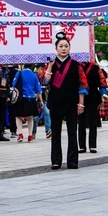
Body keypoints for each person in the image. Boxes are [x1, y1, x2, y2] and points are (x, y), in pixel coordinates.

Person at [44, 32, 88, 170]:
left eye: (66, 46)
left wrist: (81, 103)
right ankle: (56, 160)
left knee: (72, 132)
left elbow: (82, 84)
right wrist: (50, 66)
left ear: (69, 48)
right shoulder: (51, 64)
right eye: (61, 46)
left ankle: (72, 161)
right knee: (55, 132)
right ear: (56, 48)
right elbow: (45, 81)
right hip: (55, 102)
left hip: (71, 102)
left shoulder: (76, 65)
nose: (63, 48)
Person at [78, 57, 106, 154]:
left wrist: (102, 97)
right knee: (81, 121)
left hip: (93, 95)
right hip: (80, 95)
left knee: (93, 121)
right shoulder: (77, 66)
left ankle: (92, 145)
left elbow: (102, 81)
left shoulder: (95, 67)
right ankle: (82, 145)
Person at [13, 64, 43, 144]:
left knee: (18, 116)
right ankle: (30, 136)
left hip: (21, 98)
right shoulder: (34, 75)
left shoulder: (19, 73)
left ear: (23, 65)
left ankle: (20, 134)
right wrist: (41, 101)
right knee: (30, 117)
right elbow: (38, 89)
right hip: (32, 98)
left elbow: (14, 84)